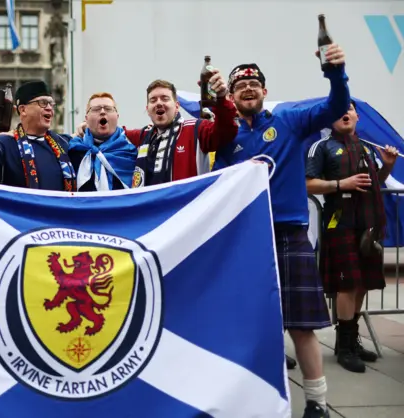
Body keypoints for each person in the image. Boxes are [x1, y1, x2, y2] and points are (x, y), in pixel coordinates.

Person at [212, 44, 351, 418]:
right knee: (251, 325)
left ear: (264, 91)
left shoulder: (290, 120)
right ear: (233, 95)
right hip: (248, 240)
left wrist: (335, 72)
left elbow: (336, 107)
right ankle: (252, 400)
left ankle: (318, 403)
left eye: (254, 83)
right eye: (240, 86)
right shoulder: (227, 138)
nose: (248, 89)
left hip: (289, 234)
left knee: (302, 326)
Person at [305, 100, 398, 373]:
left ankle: (352, 340)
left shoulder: (368, 148)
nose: (345, 113)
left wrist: (388, 166)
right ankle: (343, 346)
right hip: (340, 223)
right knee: (347, 285)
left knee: (362, 284)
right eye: (338, 109)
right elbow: (308, 182)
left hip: (368, 225)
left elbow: (374, 183)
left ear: (357, 115)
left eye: (349, 108)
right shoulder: (320, 147)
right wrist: (340, 184)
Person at [76, 70, 237, 186]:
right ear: (147, 109)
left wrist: (222, 99)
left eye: (165, 98)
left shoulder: (196, 129)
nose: (159, 102)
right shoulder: (143, 135)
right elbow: (112, 131)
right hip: (154, 220)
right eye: (153, 100)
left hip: (188, 216)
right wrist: (87, 127)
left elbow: (226, 131)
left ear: (177, 106)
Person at [0, 80, 75, 191]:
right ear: (23, 109)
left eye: (51, 104)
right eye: (43, 103)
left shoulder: (62, 143)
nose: (49, 108)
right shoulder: (5, 144)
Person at [68, 92, 137, 191]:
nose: (102, 112)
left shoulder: (130, 152)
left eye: (108, 109)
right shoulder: (72, 150)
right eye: (96, 109)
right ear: (86, 119)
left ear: (117, 116)